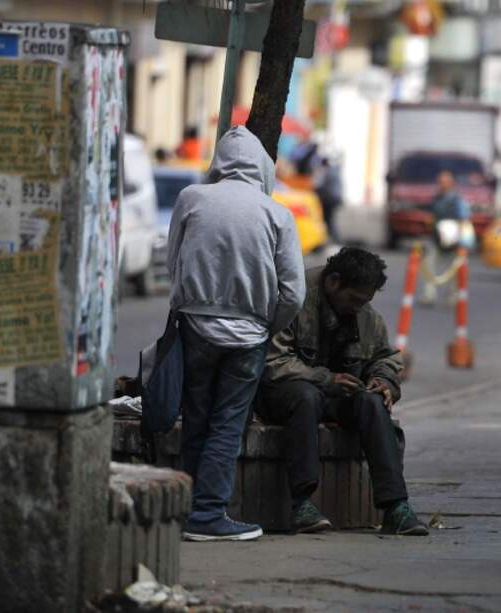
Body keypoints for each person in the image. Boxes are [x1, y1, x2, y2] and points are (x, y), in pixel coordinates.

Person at [167, 125, 306, 541]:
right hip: (250, 334)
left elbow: (174, 262)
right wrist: (267, 326)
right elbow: (294, 293)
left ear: (220, 163)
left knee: (195, 418)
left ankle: (186, 509)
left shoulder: (192, 198)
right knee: (228, 423)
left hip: (195, 324)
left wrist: (186, 306)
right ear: (263, 167)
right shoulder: (276, 213)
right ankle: (208, 514)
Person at [256, 247, 428, 536]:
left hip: (334, 397)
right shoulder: (294, 298)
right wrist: (325, 379)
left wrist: (384, 380)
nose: (359, 307)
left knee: (372, 404)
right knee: (306, 396)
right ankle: (301, 504)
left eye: (365, 301)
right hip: (282, 397)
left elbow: (385, 357)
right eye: (354, 300)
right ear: (334, 282)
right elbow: (273, 362)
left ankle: (395, 507)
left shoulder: (364, 314)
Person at [420, 170, 471, 306]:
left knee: (452, 270)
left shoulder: (457, 200)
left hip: (453, 240)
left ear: (451, 183)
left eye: (444, 181)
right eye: (440, 181)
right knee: (429, 266)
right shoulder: (437, 198)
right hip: (437, 238)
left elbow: (463, 220)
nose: (442, 184)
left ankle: (452, 297)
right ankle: (428, 295)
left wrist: (463, 241)